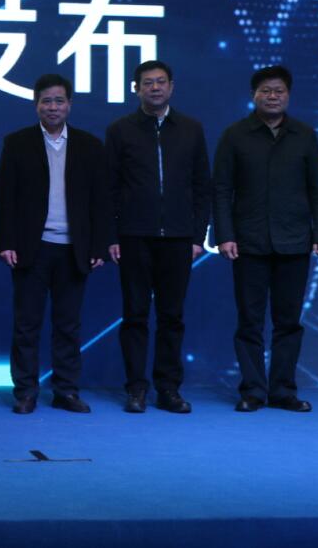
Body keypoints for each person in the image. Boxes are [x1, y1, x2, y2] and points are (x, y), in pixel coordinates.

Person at [212, 65, 318, 413]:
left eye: (279, 90)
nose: (272, 96)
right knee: (249, 321)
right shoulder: (235, 135)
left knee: (288, 322)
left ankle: (282, 390)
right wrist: (224, 235)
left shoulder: (304, 135)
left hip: (294, 241)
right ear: (254, 95)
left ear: (288, 95)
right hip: (248, 242)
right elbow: (221, 190)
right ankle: (252, 390)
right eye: (265, 90)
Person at [0, 73, 111, 414]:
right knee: (26, 325)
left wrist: (98, 246)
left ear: (69, 105)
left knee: (68, 326)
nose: (53, 107)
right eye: (46, 101)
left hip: (74, 249)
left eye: (59, 100)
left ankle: (66, 390)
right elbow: (5, 198)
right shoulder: (17, 143)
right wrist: (6, 241)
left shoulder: (90, 145)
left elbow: (101, 201)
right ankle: (25, 392)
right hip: (31, 248)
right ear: (36, 106)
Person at [105, 60, 212, 414]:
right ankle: (136, 389)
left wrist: (197, 236)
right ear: (136, 89)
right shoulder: (120, 130)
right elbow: (110, 188)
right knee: (134, 315)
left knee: (172, 317)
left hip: (179, 237)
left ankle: (168, 389)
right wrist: (113, 235)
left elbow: (202, 186)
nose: (155, 88)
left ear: (171, 87)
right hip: (134, 235)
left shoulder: (191, 129)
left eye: (161, 82)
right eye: (147, 83)